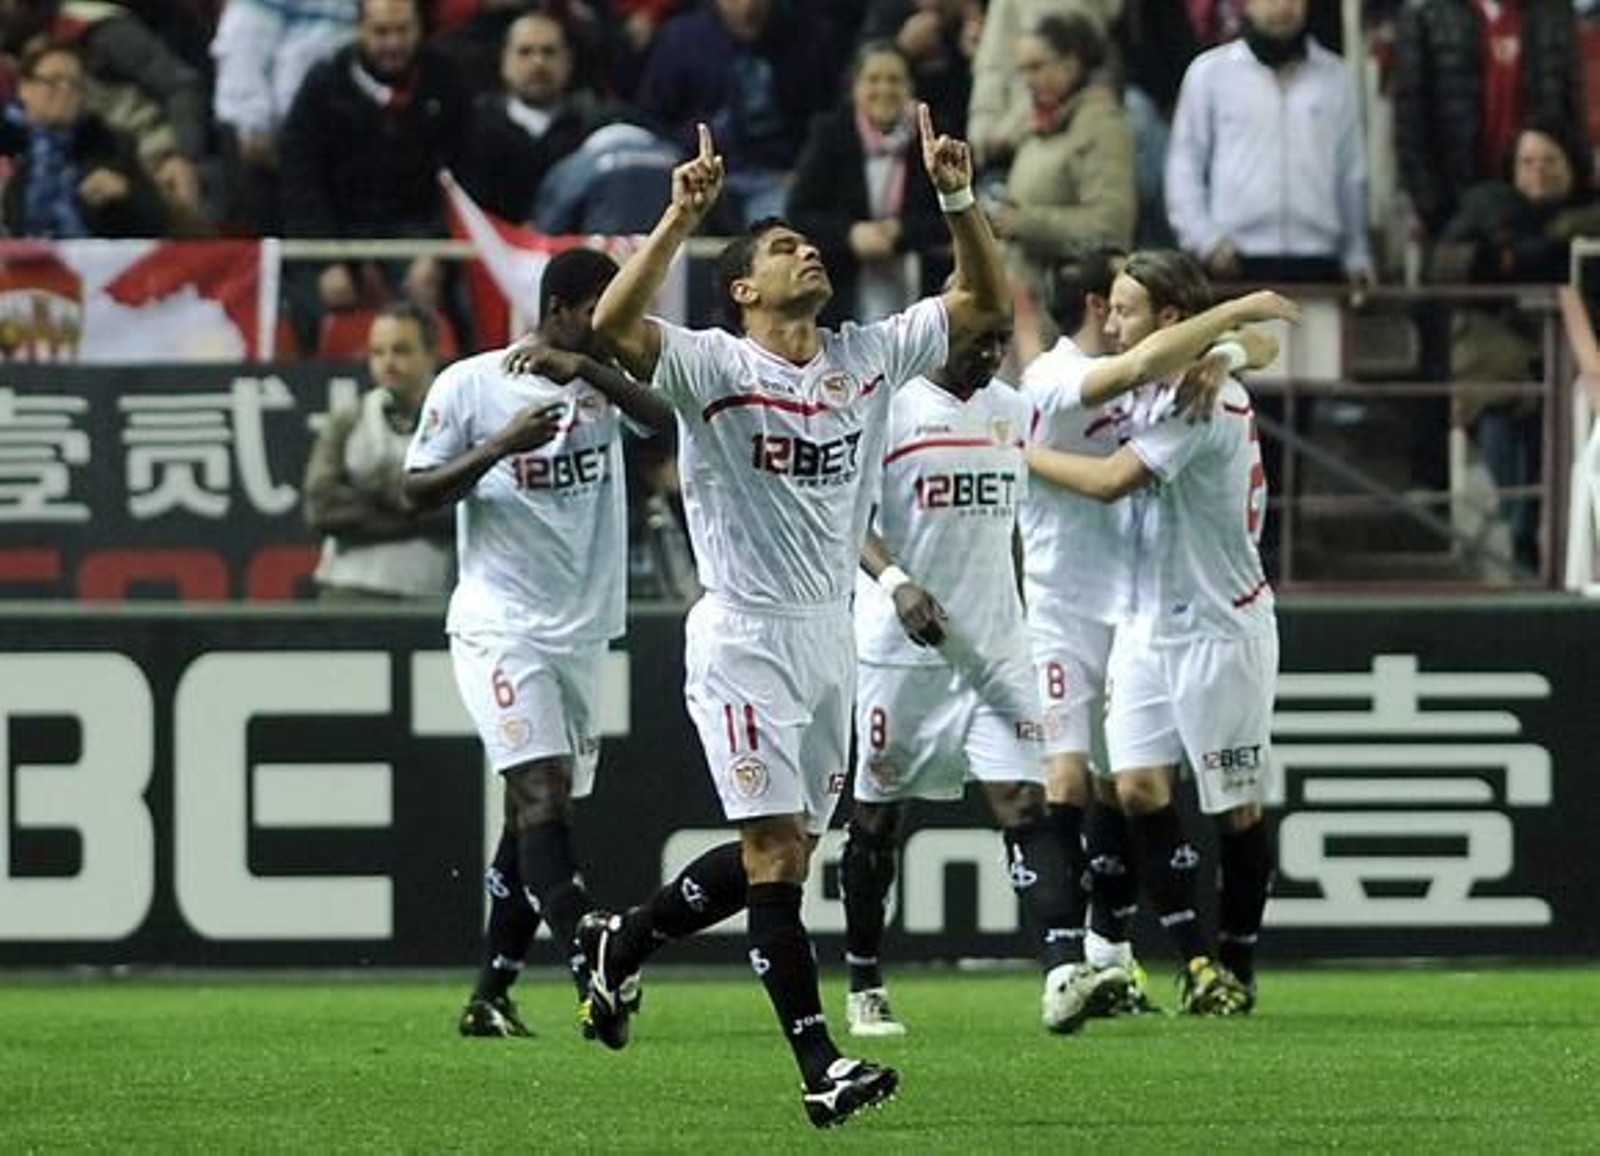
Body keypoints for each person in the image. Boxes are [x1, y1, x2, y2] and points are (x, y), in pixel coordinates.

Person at [545, 108, 1009, 1127]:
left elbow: (984, 303)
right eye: (784, 247)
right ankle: (819, 1066)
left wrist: (957, 197)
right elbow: (611, 329)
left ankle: (622, 941)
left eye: (810, 243)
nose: (808, 252)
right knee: (773, 856)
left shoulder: (867, 355)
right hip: (743, 636)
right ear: (744, 289)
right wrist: (679, 219)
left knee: (786, 851)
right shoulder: (714, 365)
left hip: (827, 637)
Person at [400, 248, 670, 1039]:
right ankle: (593, 953)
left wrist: (586, 369)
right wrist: (498, 447)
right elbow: (415, 490)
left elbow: (667, 421)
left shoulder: (605, 382)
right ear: (558, 308)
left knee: (530, 816)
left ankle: (491, 993)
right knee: (543, 791)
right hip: (501, 625)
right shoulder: (471, 385)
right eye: (598, 310)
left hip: (581, 632)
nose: (613, 324)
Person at [1019, 244, 1294, 1018]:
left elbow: (1113, 481)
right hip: (1142, 620)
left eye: (1127, 310)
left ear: (1168, 317)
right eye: (1108, 307)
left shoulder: (1204, 401)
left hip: (1220, 622)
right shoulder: (1138, 379)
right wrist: (1231, 342)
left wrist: (1013, 450)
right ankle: (1202, 965)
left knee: (1235, 807)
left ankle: (1238, 962)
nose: (1112, 323)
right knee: (1136, 787)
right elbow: (1250, 345)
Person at [840, 318, 1133, 1040]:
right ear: (940, 335)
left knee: (1026, 804)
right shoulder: (889, 406)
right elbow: (845, 519)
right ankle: (863, 980)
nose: (991, 354)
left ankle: (1062, 972)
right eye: (978, 340)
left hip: (997, 651)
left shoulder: (1012, 408)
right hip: (903, 652)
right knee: (878, 819)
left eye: (1001, 340)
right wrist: (898, 583)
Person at [1164, 0, 1371, 288]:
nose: (1283, 7)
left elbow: (1351, 174)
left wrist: (1356, 255)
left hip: (1319, 261)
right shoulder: (1210, 74)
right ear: (1246, 5)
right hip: (1235, 262)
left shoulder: (1336, 77)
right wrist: (1206, 241)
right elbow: (1184, 167)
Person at [989, 11, 1135, 352]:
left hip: (1067, 317)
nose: (1027, 81)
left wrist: (1022, 223)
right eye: (1022, 70)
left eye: (1037, 67)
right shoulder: (1040, 122)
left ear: (1071, 63)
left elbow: (1109, 227)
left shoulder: (1102, 126)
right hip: (1024, 308)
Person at [786, 40, 949, 326]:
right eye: (873, 80)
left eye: (894, 80)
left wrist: (901, 231)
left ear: (910, 87)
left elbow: (950, 215)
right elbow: (799, 215)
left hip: (919, 278)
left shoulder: (933, 137)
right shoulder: (830, 134)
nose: (884, 89)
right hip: (843, 285)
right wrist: (851, 234)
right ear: (855, 87)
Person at [1392, 0, 1585, 239]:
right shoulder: (1426, 14)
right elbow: (1410, 124)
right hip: (1458, 205)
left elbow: (1573, 107)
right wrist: (1432, 208)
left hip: (1543, 206)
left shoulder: (1554, 10)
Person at [302, 301, 454, 600]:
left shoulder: (458, 420)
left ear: (431, 353)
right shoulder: (349, 420)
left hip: (431, 592)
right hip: (349, 589)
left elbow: (463, 510)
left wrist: (375, 496)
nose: (388, 362)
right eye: (377, 352)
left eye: (401, 350)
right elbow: (322, 508)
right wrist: (417, 506)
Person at [0, 40, 169, 238]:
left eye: (75, 84)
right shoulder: (11, 144)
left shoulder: (110, 145)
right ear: (24, 88)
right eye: (53, 81)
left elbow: (157, 220)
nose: (66, 91)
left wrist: (124, 194)